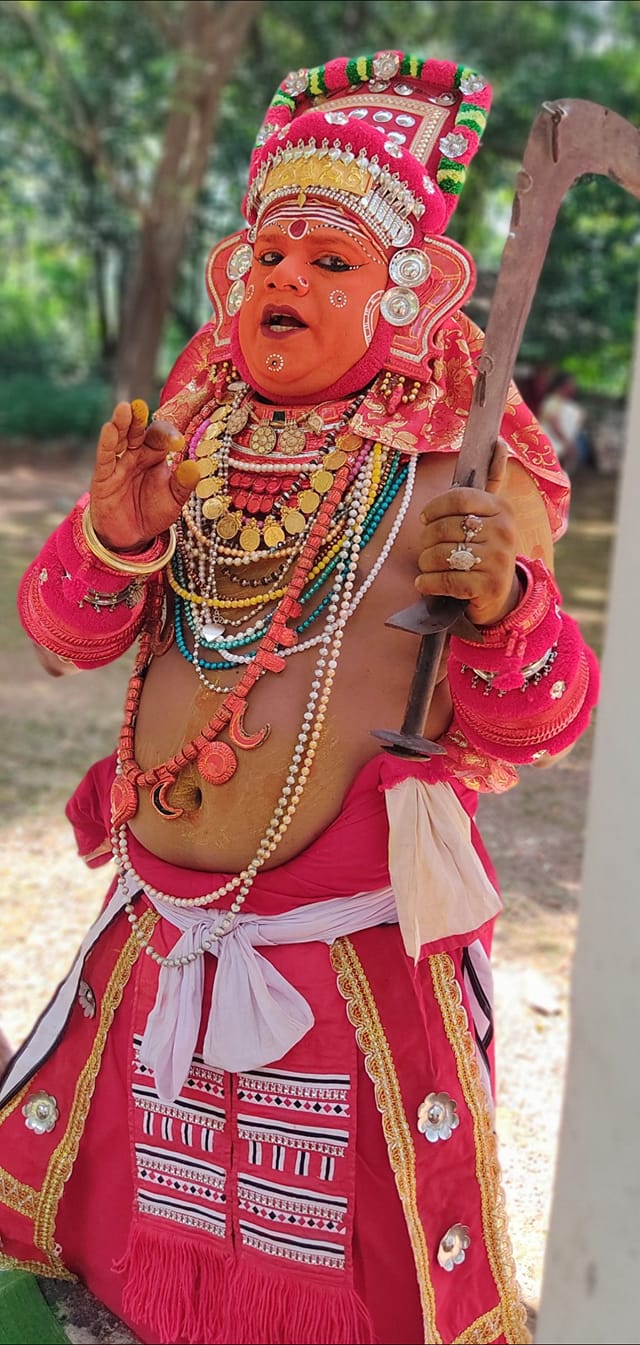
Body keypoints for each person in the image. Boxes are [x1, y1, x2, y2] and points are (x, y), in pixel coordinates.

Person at [0, 51, 598, 1345]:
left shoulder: (463, 473)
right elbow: (60, 639)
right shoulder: (193, 441)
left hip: (349, 956)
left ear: (411, 292)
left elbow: (540, 723)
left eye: (331, 264)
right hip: (159, 928)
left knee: (328, 1253)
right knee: (141, 1224)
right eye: (271, 255)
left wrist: (505, 605)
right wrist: (112, 540)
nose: (286, 279)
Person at [539, 372, 585, 476]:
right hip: (551, 446)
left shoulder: (566, 404)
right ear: (563, 385)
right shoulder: (552, 402)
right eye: (571, 384)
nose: (573, 387)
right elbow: (554, 424)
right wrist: (567, 443)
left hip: (560, 446)